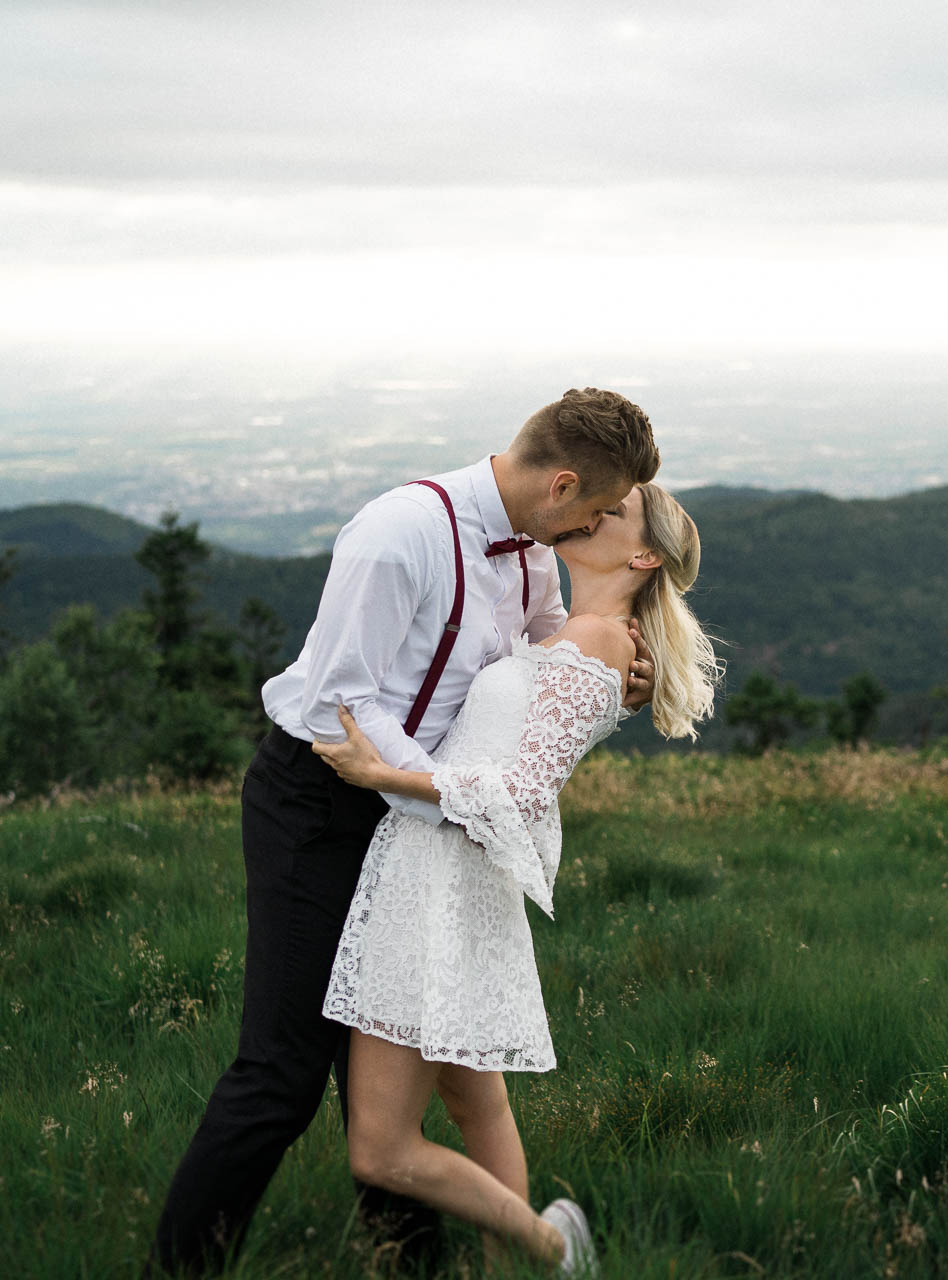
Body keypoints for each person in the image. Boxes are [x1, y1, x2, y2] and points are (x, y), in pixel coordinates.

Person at [148, 389, 660, 1276]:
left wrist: (619, 677)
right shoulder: (400, 533)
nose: (592, 527)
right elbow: (337, 704)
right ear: (562, 487)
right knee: (281, 1073)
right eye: (598, 509)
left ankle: (413, 1265)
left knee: (378, 1083)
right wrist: (441, 801)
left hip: (416, 820)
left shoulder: (536, 558)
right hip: (319, 804)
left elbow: (543, 659)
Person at [310, 482, 720, 1274]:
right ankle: (513, 1268)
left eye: (613, 511)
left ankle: (553, 1247)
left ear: (643, 556)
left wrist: (381, 774)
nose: (591, 512)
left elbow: (525, 793)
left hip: (446, 878)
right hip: (444, 870)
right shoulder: (580, 634)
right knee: (475, 1100)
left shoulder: (599, 641)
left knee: (381, 1150)